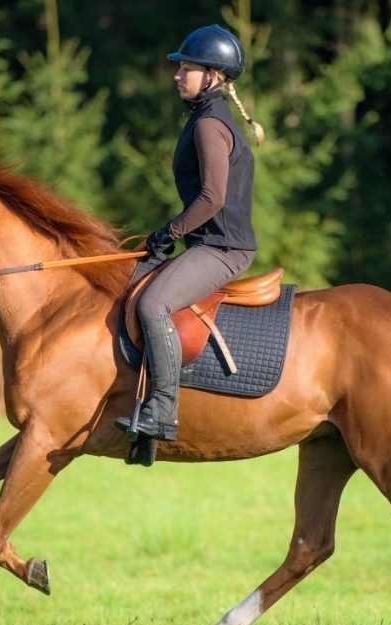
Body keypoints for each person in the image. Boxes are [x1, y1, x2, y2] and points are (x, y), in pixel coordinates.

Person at [116, 24, 264, 448]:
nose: (177, 75)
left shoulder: (209, 126)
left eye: (187, 69)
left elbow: (213, 198)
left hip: (224, 249)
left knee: (154, 304)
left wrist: (170, 231)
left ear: (212, 76)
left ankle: (163, 410)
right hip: (208, 244)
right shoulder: (205, 118)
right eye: (179, 68)